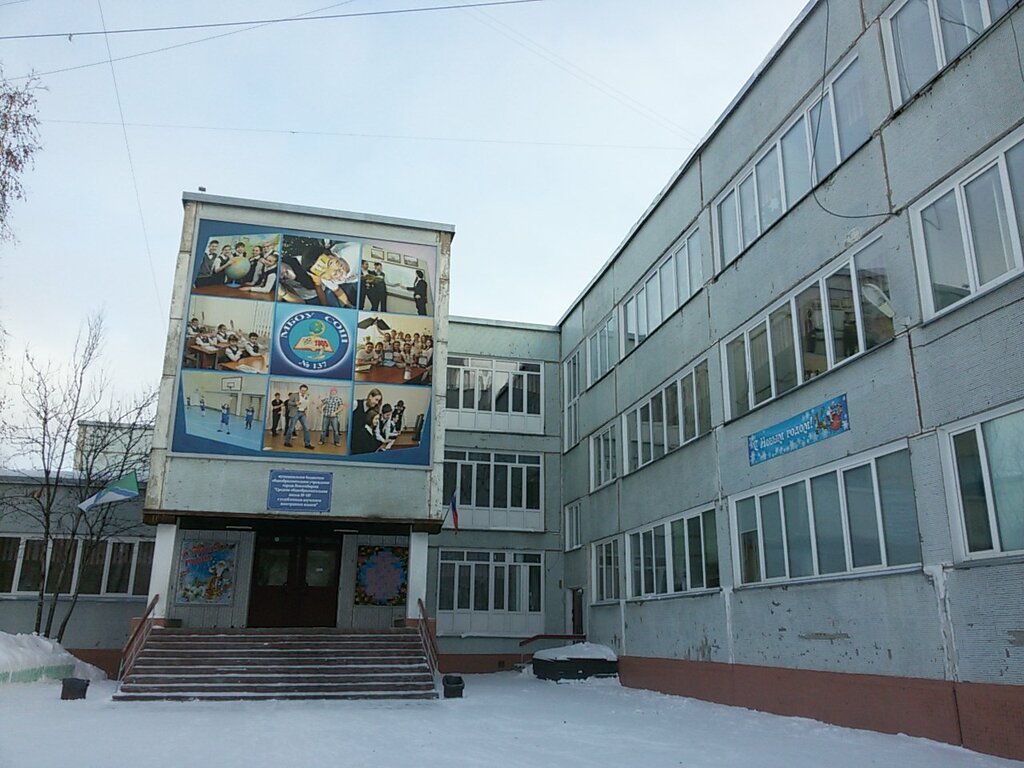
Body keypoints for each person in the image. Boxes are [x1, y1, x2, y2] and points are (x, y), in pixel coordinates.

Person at [350, 388, 383, 454]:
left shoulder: (373, 410)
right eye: (376, 399)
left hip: (363, 441)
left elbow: (376, 430)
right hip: (353, 440)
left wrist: (383, 440)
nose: (377, 403)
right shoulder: (355, 404)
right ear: (370, 396)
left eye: (378, 401)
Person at [284, 385, 314, 449]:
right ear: (300, 389)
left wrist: (305, 409)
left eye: (305, 390)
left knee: (306, 428)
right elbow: (289, 402)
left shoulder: (306, 396)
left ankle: (307, 444)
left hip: (302, 413)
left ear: (306, 391)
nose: (303, 391)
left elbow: (305, 404)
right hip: (296, 412)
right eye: (302, 390)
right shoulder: (294, 395)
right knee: (291, 428)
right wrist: (295, 403)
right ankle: (286, 442)